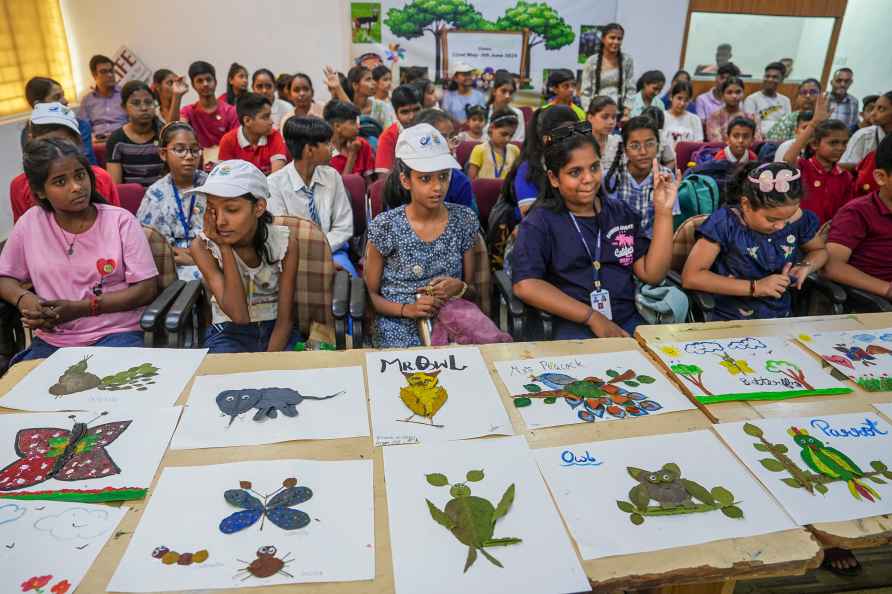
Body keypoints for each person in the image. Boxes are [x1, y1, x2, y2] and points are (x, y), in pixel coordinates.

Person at [0, 138, 159, 363]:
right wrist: (26, 299)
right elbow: (5, 277)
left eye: (80, 175)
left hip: (117, 334)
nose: (76, 186)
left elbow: (146, 289)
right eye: (60, 181)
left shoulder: (120, 221)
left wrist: (82, 308)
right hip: (52, 340)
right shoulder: (30, 224)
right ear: (40, 191)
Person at [511, 126, 677, 339]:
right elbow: (526, 285)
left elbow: (652, 274)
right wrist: (591, 317)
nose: (588, 179)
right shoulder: (540, 222)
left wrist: (663, 212)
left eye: (594, 167)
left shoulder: (620, 214)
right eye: (575, 172)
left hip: (628, 317)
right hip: (570, 322)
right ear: (554, 178)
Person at [364, 124, 480, 347]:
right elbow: (369, 295)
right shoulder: (386, 226)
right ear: (406, 180)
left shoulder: (463, 220)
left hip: (454, 321)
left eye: (444, 176)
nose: (438, 187)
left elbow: (473, 290)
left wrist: (460, 288)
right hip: (397, 324)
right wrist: (407, 310)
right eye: (426, 179)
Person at [681, 162, 827, 321]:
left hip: (780, 318)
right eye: (772, 219)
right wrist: (756, 287)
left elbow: (819, 251)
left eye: (787, 218)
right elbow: (692, 277)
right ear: (746, 204)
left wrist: (805, 267)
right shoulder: (725, 224)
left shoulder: (798, 221)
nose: (780, 226)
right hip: (729, 319)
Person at [188, 160, 303, 353]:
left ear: (258, 207)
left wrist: (269, 361)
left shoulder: (285, 245)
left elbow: (285, 320)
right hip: (227, 332)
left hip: (277, 330)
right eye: (213, 209)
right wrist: (224, 247)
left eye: (232, 210)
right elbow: (239, 315)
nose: (221, 221)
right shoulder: (203, 247)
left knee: (285, 379)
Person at [267, 117, 356, 277]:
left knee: (347, 282)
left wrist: (323, 254)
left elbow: (343, 227)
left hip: (334, 250)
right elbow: (280, 235)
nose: (333, 149)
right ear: (309, 150)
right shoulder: (274, 184)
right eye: (328, 144)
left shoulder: (332, 176)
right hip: (292, 257)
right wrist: (317, 260)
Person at [11, 103, 120, 222]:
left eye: (64, 142)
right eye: (60, 182)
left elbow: (116, 224)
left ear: (78, 142)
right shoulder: (19, 187)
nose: (57, 151)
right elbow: (24, 234)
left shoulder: (102, 178)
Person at [824, 135, 892, 300]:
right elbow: (831, 266)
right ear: (881, 177)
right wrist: (887, 289)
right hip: (872, 302)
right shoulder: (858, 213)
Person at [137, 122, 207, 281]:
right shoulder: (156, 194)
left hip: (211, 259)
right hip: (170, 265)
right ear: (163, 154)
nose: (189, 156)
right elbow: (151, 244)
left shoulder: (211, 186)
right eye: (180, 150)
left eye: (194, 150)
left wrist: (196, 256)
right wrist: (185, 255)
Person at [780, 96, 852, 224]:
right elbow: (788, 159)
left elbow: (844, 212)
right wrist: (814, 123)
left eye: (844, 143)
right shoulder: (803, 166)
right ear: (814, 144)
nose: (840, 148)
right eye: (833, 143)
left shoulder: (845, 177)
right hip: (796, 232)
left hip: (827, 234)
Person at [604, 116, 679, 237]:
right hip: (619, 245)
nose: (643, 152)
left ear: (658, 146)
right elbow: (609, 223)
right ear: (625, 149)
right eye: (635, 146)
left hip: (654, 244)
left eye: (649, 144)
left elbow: (669, 223)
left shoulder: (666, 177)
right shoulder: (611, 177)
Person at [22, 76, 97, 165]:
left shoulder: (80, 125)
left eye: (63, 95)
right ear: (39, 105)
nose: (65, 101)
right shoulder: (28, 133)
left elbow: (84, 162)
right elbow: (36, 167)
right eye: (57, 97)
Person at [105, 81, 164, 187]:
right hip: (132, 199)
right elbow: (116, 187)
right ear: (124, 107)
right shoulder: (117, 140)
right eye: (136, 103)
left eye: (148, 102)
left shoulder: (163, 134)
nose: (144, 108)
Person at [218, 93, 288, 174]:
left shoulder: (274, 136)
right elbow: (224, 177)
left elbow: (277, 178)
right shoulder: (228, 141)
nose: (271, 122)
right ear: (247, 121)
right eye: (265, 117)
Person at [179, 61, 239, 149]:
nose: (205, 84)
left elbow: (234, 144)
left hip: (225, 160)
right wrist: (177, 96)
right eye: (199, 81)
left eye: (208, 79)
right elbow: (176, 133)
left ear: (215, 82)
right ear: (193, 85)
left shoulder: (231, 111)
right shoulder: (188, 111)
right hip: (197, 160)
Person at [580, 23, 635, 115]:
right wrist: (589, 112)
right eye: (612, 38)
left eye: (619, 39)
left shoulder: (627, 60)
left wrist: (627, 111)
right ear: (603, 39)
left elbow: (631, 88)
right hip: (596, 113)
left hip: (620, 113)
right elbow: (585, 92)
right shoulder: (592, 61)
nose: (616, 42)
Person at [374, 85, 422, 175]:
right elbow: (384, 177)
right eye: (405, 112)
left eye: (416, 109)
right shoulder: (388, 136)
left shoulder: (432, 129)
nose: (412, 116)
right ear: (396, 113)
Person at [78, 54, 127, 140]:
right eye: (104, 72)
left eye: (111, 71)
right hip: (97, 142)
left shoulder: (125, 94)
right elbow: (83, 128)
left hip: (122, 139)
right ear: (94, 75)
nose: (110, 75)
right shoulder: (87, 100)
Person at [323, 100, 375, 179]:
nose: (358, 127)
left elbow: (371, 183)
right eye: (353, 123)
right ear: (337, 126)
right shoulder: (325, 153)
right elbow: (341, 187)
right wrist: (352, 156)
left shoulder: (362, 144)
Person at [839, 91, 891, 169]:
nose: (873, 113)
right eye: (873, 108)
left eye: (881, 109)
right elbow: (843, 167)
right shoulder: (863, 136)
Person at [468, 109, 520, 181]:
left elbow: (517, 177)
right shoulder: (479, 149)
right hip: (483, 191)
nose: (508, 139)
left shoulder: (515, 150)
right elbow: (472, 180)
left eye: (511, 135)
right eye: (504, 134)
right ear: (492, 127)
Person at [706, 76, 761, 143]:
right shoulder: (715, 117)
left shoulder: (751, 118)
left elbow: (757, 142)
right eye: (729, 92)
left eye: (738, 92)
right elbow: (716, 142)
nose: (734, 96)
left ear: (743, 94)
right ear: (722, 95)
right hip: (721, 152)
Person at [743, 62, 791, 136]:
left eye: (775, 77)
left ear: (782, 80)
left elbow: (788, 124)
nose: (770, 79)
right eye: (767, 76)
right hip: (759, 139)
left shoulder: (785, 100)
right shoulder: (751, 99)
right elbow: (749, 125)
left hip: (780, 138)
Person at [485, 71, 525, 142]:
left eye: (511, 92)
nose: (507, 96)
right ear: (494, 91)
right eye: (503, 91)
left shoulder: (518, 114)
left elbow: (518, 142)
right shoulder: (483, 111)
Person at [663, 81, 703, 149]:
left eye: (686, 100)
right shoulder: (662, 116)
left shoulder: (695, 119)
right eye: (679, 98)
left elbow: (699, 144)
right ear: (671, 97)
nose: (682, 103)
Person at [587, 96, 619, 165]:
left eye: (614, 117)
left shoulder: (618, 143)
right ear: (590, 118)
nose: (611, 122)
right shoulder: (579, 144)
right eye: (605, 117)